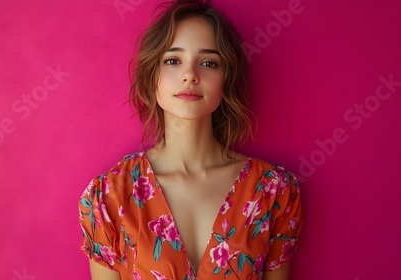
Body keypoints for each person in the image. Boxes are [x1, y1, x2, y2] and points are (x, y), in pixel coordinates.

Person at [77, 0, 303, 279]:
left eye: (209, 63)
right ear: (153, 77)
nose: (190, 75)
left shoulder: (273, 192)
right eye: (173, 60)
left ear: (226, 79)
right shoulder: (110, 197)